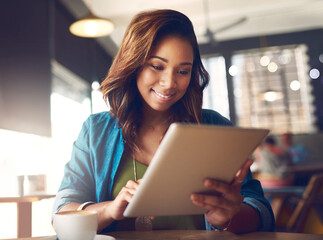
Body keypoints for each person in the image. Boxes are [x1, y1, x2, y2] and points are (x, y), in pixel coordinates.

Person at [53, 9, 274, 233]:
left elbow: (262, 214)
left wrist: (228, 217)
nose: (169, 83)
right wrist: (110, 209)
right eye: (157, 66)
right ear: (133, 64)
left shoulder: (214, 127)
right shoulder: (96, 131)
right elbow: (61, 213)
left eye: (183, 71)